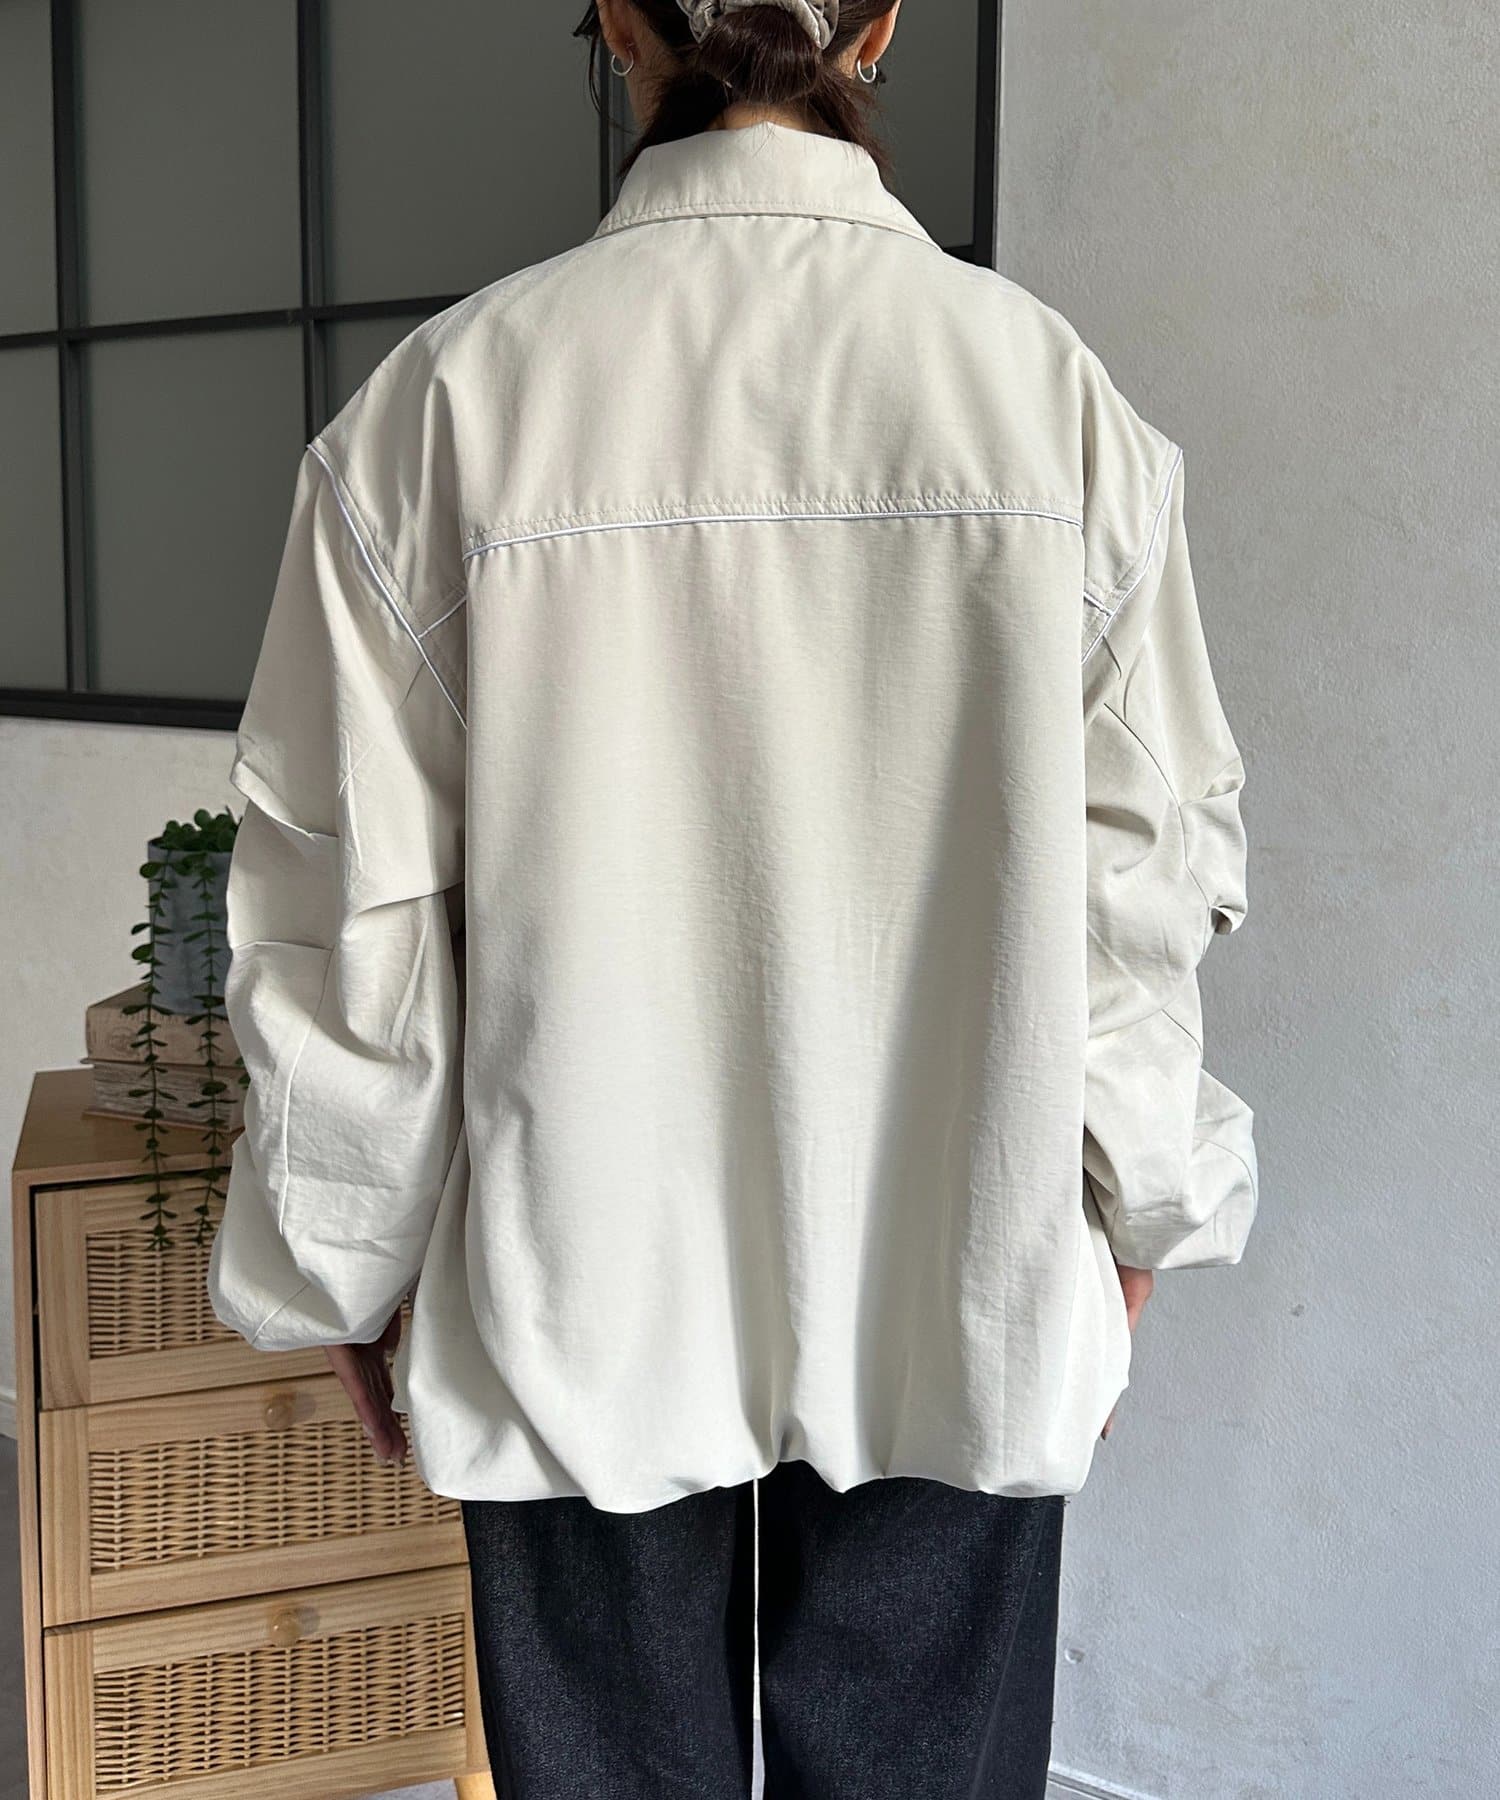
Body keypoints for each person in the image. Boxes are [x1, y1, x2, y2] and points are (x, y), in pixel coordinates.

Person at [206, 1, 1257, 1793]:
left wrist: (343, 1262)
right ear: (879, 29)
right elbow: (1141, 878)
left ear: (618, 25)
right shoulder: (1047, 396)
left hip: (571, 1282)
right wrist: (1135, 1204)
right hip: (960, 1259)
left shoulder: (446, 405)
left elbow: (349, 905)